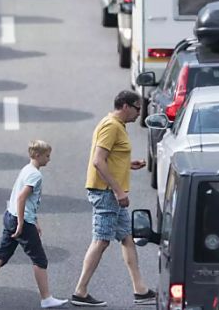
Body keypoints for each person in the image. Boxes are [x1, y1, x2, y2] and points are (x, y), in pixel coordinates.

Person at [71, 91, 156, 307]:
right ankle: (80, 291)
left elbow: (110, 158)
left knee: (127, 238)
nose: (140, 113)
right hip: (106, 193)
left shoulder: (117, 125)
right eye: (138, 108)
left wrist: (127, 164)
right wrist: (119, 191)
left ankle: (140, 290)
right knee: (101, 240)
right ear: (126, 106)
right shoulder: (111, 126)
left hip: (111, 193)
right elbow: (98, 161)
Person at [0, 141, 68, 309]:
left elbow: (28, 201)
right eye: (47, 156)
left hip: (10, 216)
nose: (49, 159)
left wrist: (35, 221)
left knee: (1, 255)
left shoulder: (26, 169)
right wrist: (21, 224)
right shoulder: (35, 175)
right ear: (38, 155)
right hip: (21, 220)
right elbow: (21, 198)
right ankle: (46, 298)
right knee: (40, 259)